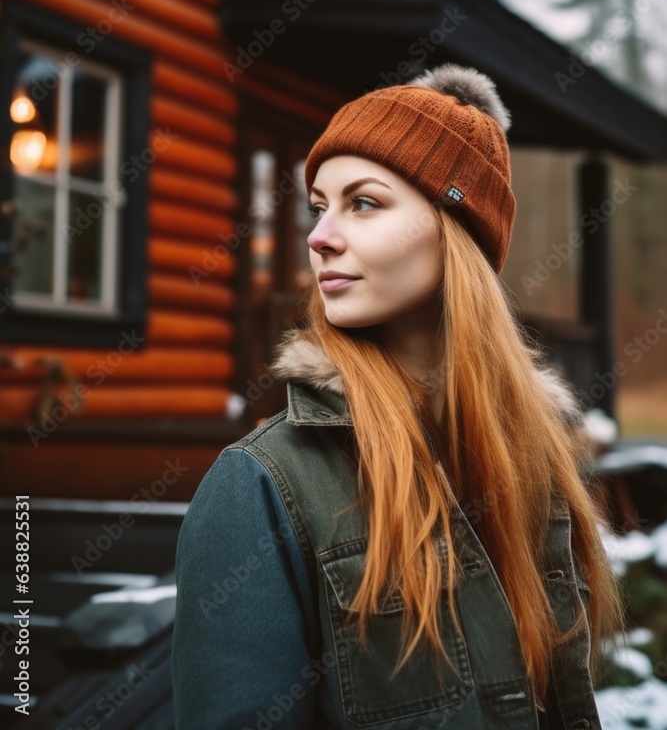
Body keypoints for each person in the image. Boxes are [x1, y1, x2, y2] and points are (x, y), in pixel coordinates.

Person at [172, 62, 625, 729]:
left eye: (363, 202)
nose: (318, 236)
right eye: (320, 207)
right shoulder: (260, 485)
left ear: (456, 231)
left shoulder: (537, 461)